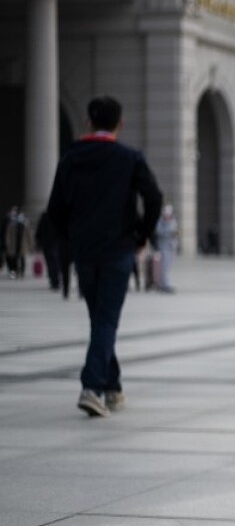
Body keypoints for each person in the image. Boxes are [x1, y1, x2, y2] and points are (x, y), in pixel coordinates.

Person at [46, 95, 163, 417]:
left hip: (84, 250)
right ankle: (93, 386)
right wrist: (141, 234)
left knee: (99, 318)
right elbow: (153, 197)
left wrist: (71, 238)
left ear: (88, 122)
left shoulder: (71, 156)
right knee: (106, 319)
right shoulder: (129, 157)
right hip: (118, 248)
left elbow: (55, 206)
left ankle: (113, 386)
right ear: (119, 124)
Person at [153, 203, 179, 292]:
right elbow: (159, 232)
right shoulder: (160, 221)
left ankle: (164, 283)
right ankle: (163, 285)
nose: (168, 215)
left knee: (167, 267)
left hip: (170, 247)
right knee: (162, 267)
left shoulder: (172, 221)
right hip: (162, 247)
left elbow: (175, 232)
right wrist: (169, 231)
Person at [4, 206, 32, 278]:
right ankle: (15, 271)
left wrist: (30, 243)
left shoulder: (25, 222)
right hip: (14, 244)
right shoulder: (12, 223)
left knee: (22, 258)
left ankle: (22, 272)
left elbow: (29, 234)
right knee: (15, 258)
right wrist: (8, 243)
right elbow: (8, 235)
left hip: (22, 244)